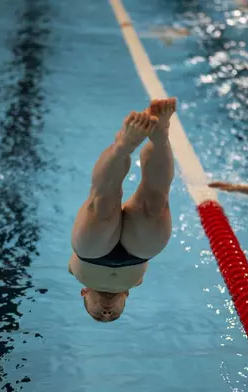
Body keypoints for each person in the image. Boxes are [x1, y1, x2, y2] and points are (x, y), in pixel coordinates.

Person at [68, 98, 176, 322]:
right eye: (114, 313)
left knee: (102, 204)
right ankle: (160, 135)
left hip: (90, 254)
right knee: (155, 203)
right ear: (126, 294)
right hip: (137, 254)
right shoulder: (135, 281)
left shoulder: (77, 274)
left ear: (84, 292)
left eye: (98, 314)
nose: (106, 311)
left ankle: (123, 145)